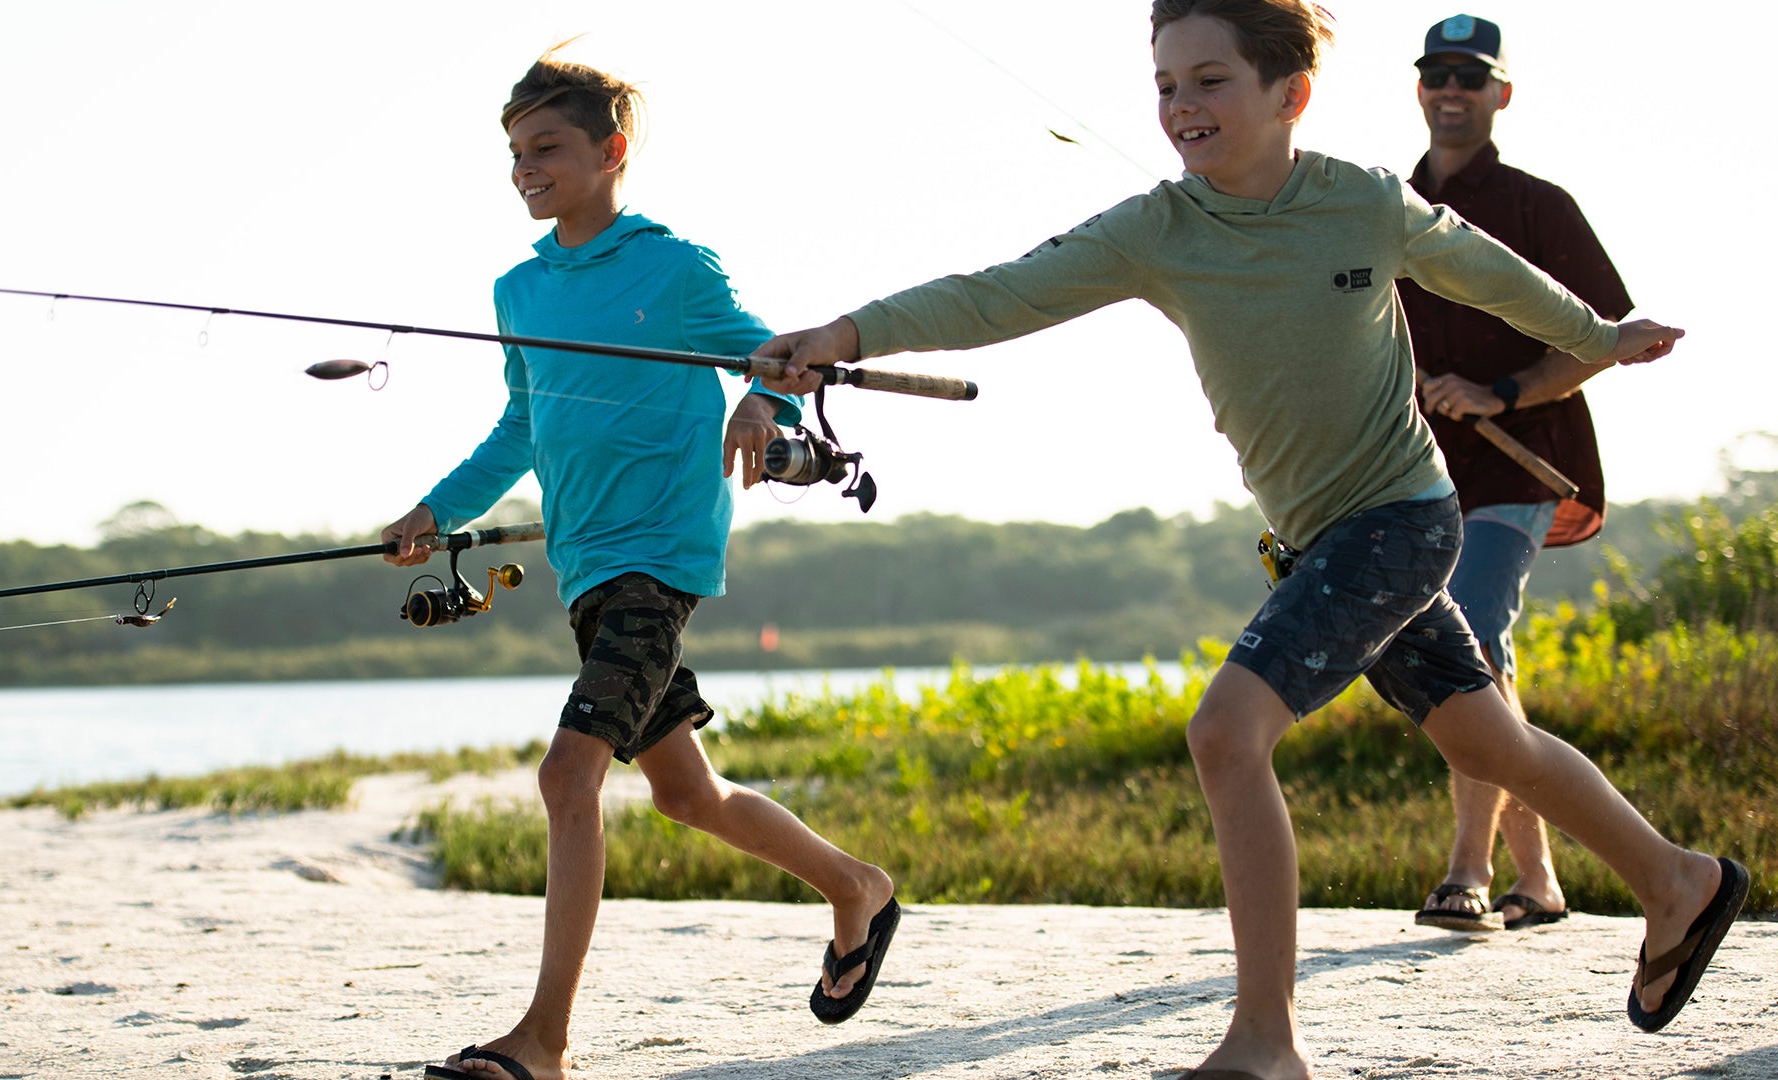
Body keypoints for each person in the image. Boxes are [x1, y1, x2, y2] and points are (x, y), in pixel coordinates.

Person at [755, 3, 1747, 1077]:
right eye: (1167, 85)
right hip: (1317, 538)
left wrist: (1598, 339)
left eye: (1209, 81)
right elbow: (999, 293)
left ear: (1290, 95)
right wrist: (846, 335)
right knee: (1488, 745)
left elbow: (1488, 271)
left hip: (1405, 519)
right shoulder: (1158, 230)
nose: (1181, 106)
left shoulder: (1361, 201)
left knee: (1228, 733)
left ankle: (1266, 1041)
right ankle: (1678, 882)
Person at [388, 47, 898, 1080]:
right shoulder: (519, 289)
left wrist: (766, 400)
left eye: (548, 148)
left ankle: (543, 1043)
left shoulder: (672, 268)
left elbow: (775, 356)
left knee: (567, 774)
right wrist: (436, 512)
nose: (526, 169)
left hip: (660, 559)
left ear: (610, 151)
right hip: (584, 564)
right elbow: (520, 429)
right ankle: (858, 888)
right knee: (686, 797)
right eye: (515, 152)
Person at [1400, 13, 1639, 936]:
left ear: (1501, 93)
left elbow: (1603, 338)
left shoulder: (1542, 205)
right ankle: (1537, 874)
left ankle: (1468, 866)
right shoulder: (1390, 205)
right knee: (1487, 661)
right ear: (1418, 90)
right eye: (1437, 77)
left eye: (1471, 78)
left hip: (1522, 470)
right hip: (1413, 476)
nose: (1452, 92)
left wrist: (1499, 390)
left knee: (1469, 636)